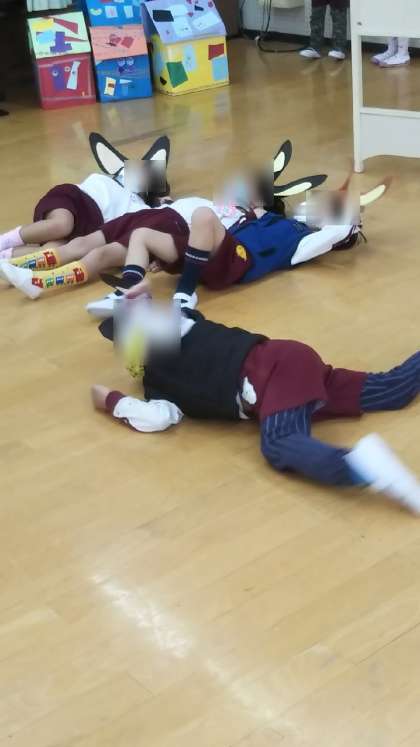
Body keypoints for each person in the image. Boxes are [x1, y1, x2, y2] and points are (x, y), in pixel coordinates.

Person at [92, 292, 420, 513]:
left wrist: (110, 400)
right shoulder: (159, 385)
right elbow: (158, 417)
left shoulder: (181, 326)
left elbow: (168, 318)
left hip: (271, 371)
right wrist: (113, 400)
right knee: (390, 390)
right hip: (290, 365)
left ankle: (361, 466)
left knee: (279, 443)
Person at [0, 191, 360, 308]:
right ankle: (128, 292)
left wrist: (347, 223)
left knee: (202, 216)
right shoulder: (245, 215)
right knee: (141, 236)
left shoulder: (297, 236)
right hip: (204, 248)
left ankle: (185, 295)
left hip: (237, 261)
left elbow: (325, 239)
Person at [0, 134, 170, 259]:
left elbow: (165, 220)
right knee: (61, 224)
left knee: (51, 253)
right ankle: (4, 240)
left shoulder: (141, 209)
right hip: (76, 200)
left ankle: (6, 258)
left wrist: (164, 202)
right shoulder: (110, 178)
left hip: (89, 229)